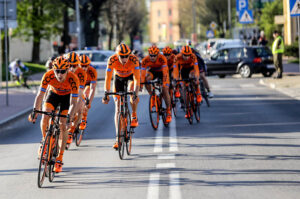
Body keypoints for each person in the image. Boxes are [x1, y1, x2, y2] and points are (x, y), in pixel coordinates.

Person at [29, 56, 79, 173]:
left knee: (63, 125)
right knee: (45, 115)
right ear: (53, 70)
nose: (59, 74)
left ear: (67, 71)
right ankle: (44, 141)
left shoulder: (73, 78)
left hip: (66, 98)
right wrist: (34, 110)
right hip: (53, 95)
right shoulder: (48, 75)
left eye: (62, 72)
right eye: (57, 71)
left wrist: (69, 117)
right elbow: (40, 95)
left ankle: (60, 158)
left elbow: (74, 102)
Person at [102, 44, 140, 150]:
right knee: (118, 109)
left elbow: (137, 79)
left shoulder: (134, 59)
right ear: (117, 55)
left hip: (131, 77)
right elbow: (108, 78)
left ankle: (133, 115)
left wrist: (135, 94)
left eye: (126, 56)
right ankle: (117, 138)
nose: (124, 58)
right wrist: (106, 92)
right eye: (121, 56)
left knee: (132, 91)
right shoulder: (112, 60)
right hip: (118, 78)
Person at [141, 45, 172, 123]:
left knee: (165, 90)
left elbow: (165, 73)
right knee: (146, 79)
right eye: (151, 55)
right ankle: (152, 95)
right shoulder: (145, 60)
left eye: (154, 56)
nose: (152, 57)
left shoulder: (162, 58)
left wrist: (165, 83)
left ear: (158, 54)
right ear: (149, 54)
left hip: (162, 72)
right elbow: (142, 74)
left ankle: (168, 111)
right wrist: (141, 84)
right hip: (153, 71)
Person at [65, 52, 87, 145]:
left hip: (77, 92)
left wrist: (75, 107)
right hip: (64, 91)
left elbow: (80, 91)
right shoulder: (62, 70)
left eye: (74, 66)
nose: (71, 68)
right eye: (70, 65)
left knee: (79, 109)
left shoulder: (81, 73)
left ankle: (72, 131)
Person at [173, 46, 202, 118]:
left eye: (188, 55)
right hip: (183, 71)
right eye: (185, 55)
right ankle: (187, 109)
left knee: (193, 77)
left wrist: (197, 78)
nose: (186, 57)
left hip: (191, 69)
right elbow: (175, 70)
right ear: (181, 54)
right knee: (183, 88)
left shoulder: (193, 56)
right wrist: (176, 79)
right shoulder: (177, 57)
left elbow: (196, 69)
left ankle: (198, 92)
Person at [78, 54, 98, 130]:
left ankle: (84, 118)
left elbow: (93, 88)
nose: (84, 68)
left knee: (86, 94)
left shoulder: (92, 71)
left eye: (86, 65)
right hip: (79, 85)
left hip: (87, 85)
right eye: (82, 65)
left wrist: (89, 101)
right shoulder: (75, 70)